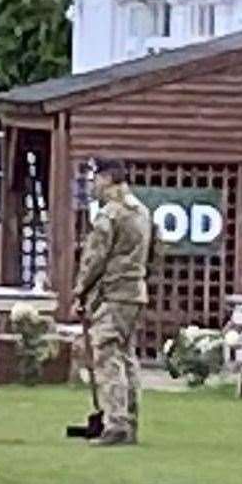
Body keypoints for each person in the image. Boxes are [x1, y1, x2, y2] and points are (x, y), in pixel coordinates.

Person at [73, 159, 157, 446]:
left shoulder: (110, 215)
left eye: (96, 178)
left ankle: (116, 422)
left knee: (107, 356)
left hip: (112, 293)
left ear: (108, 178)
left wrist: (80, 290)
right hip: (135, 292)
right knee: (127, 357)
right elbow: (157, 252)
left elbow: (95, 258)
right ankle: (130, 420)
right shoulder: (143, 212)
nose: (93, 184)